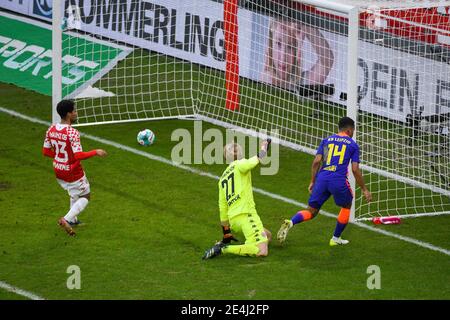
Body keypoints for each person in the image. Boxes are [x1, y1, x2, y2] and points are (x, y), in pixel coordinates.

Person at [277, 117, 372, 246]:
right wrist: (364, 189)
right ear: (350, 130)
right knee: (347, 205)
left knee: (311, 211)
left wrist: (312, 181)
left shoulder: (327, 141)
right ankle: (335, 238)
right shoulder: (352, 145)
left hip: (322, 178)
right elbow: (355, 169)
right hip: (338, 179)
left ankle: (291, 222)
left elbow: (316, 162)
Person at [42, 100, 107, 236]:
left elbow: (46, 152)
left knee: (74, 192)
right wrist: (95, 151)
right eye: (74, 111)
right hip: (72, 170)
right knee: (85, 196)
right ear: (68, 114)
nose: (76, 113)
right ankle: (66, 219)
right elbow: (78, 155)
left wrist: (61, 158)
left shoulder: (51, 129)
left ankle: (73, 220)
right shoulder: (72, 132)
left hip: (58, 169)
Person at [202, 139, 272, 259]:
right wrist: (264, 148)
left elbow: (222, 208)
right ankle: (223, 249)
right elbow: (255, 161)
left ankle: (248, 241)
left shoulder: (222, 179)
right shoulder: (239, 164)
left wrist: (226, 233)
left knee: (268, 236)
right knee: (261, 251)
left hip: (234, 220)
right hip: (246, 214)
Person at [260, 17, 334, 91]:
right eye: (278, 44)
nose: (283, 58)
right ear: (271, 46)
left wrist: (304, 25)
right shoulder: (265, 80)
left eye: (290, 47)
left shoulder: (302, 85)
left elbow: (327, 61)